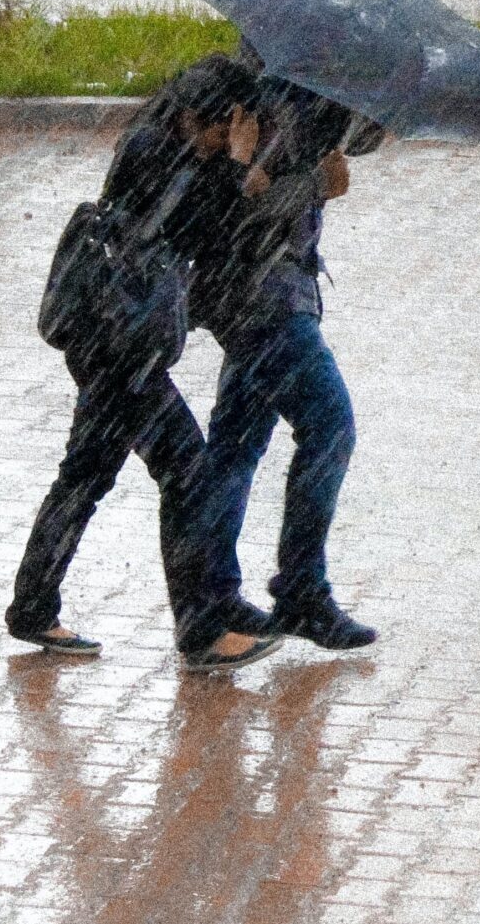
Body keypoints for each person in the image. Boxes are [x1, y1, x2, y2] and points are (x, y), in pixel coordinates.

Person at [6, 55, 304, 672]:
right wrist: (241, 168)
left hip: (107, 334)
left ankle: (33, 606)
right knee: (186, 470)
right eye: (230, 125)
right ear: (203, 117)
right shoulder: (163, 156)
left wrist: (236, 166)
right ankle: (200, 631)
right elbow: (211, 230)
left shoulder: (165, 142)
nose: (234, 135)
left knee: (87, 473)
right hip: (121, 347)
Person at [192, 77, 384, 652]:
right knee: (330, 426)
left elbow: (355, 138)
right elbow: (243, 212)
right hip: (264, 301)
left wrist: (379, 108)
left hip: (262, 295)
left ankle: (213, 594)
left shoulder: (308, 84)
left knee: (235, 444)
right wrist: (315, 184)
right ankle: (299, 589)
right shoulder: (267, 97)